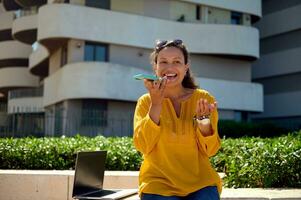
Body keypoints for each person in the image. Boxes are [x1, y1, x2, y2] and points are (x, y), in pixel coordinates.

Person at [133, 39, 221, 200]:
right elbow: (143, 146)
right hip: (157, 185)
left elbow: (211, 150)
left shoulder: (203, 98)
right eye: (163, 62)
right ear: (156, 67)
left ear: (186, 67)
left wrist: (203, 121)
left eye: (177, 62)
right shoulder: (146, 102)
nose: (170, 68)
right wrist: (156, 104)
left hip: (201, 184)